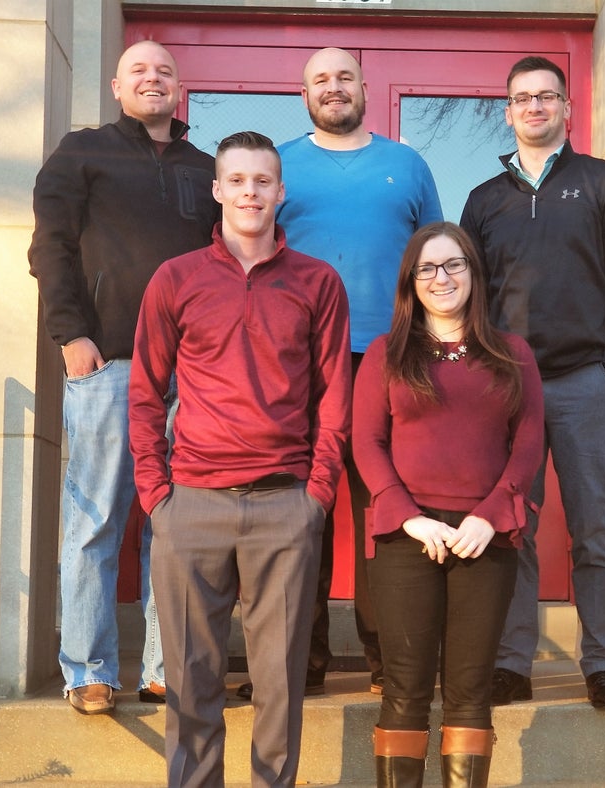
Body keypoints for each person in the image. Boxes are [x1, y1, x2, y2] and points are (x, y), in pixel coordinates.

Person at [128, 131, 351, 788]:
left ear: (280, 192)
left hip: (285, 505)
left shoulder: (318, 282)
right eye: (238, 180)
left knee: (279, 693)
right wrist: (155, 493)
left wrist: (318, 494)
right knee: (191, 688)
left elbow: (335, 394)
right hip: (190, 505)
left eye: (263, 180)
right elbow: (145, 390)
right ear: (218, 190)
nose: (251, 192)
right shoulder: (176, 279)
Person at [235, 46, 443, 702]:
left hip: (392, 361)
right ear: (304, 95)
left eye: (344, 77)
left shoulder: (406, 165)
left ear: (364, 87)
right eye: (320, 80)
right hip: (299, 364)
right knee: (301, 515)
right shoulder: (283, 167)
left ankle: (393, 667)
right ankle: (300, 665)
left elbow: (439, 259)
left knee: (385, 511)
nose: (333, 88)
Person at [27, 40, 218, 715]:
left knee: (178, 524)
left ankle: (166, 669)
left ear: (179, 87)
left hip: (193, 375)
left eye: (164, 70)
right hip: (107, 362)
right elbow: (49, 245)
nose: (152, 78)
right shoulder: (83, 153)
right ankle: (89, 671)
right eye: (139, 69)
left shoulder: (207, 169)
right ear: (116, 85)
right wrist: (70, 334)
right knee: (96, 519)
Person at [460, 56, 605, 711]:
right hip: (508, 388)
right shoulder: (484, 201)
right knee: (513, 525)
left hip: (581, 385)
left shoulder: (604, 182)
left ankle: (601, 663)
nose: (535, 107)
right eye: (523, 98)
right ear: (508, 111)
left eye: (547, 96)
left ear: (568, 108)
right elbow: (467, 293)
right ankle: (512, 664)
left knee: (593, 527)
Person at [352, 221, 544, 788]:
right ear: (412, 282)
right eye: (428, 267)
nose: (442, 277)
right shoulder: (387, 354)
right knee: (406, 688)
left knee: (469, 690)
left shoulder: (513, 353)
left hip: (485, 538)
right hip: (405, 537)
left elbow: (529, 441)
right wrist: (407, 514)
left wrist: (491, 514)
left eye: (454, 264)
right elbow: (366, 441)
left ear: (473, 274)